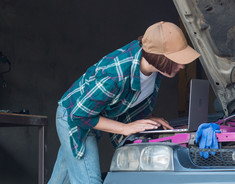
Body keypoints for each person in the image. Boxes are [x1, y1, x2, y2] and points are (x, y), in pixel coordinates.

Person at [48, 21, 200, 184]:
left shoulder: (156, 70)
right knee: (89, 181)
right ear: (159, 57)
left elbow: (127, 100)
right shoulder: (115, 76)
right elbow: (79, 114)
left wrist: (148, 117)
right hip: (74, 115)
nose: (182, 66)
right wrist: (125, 128)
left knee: (60, 180)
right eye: (176, 60)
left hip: (96, 115)